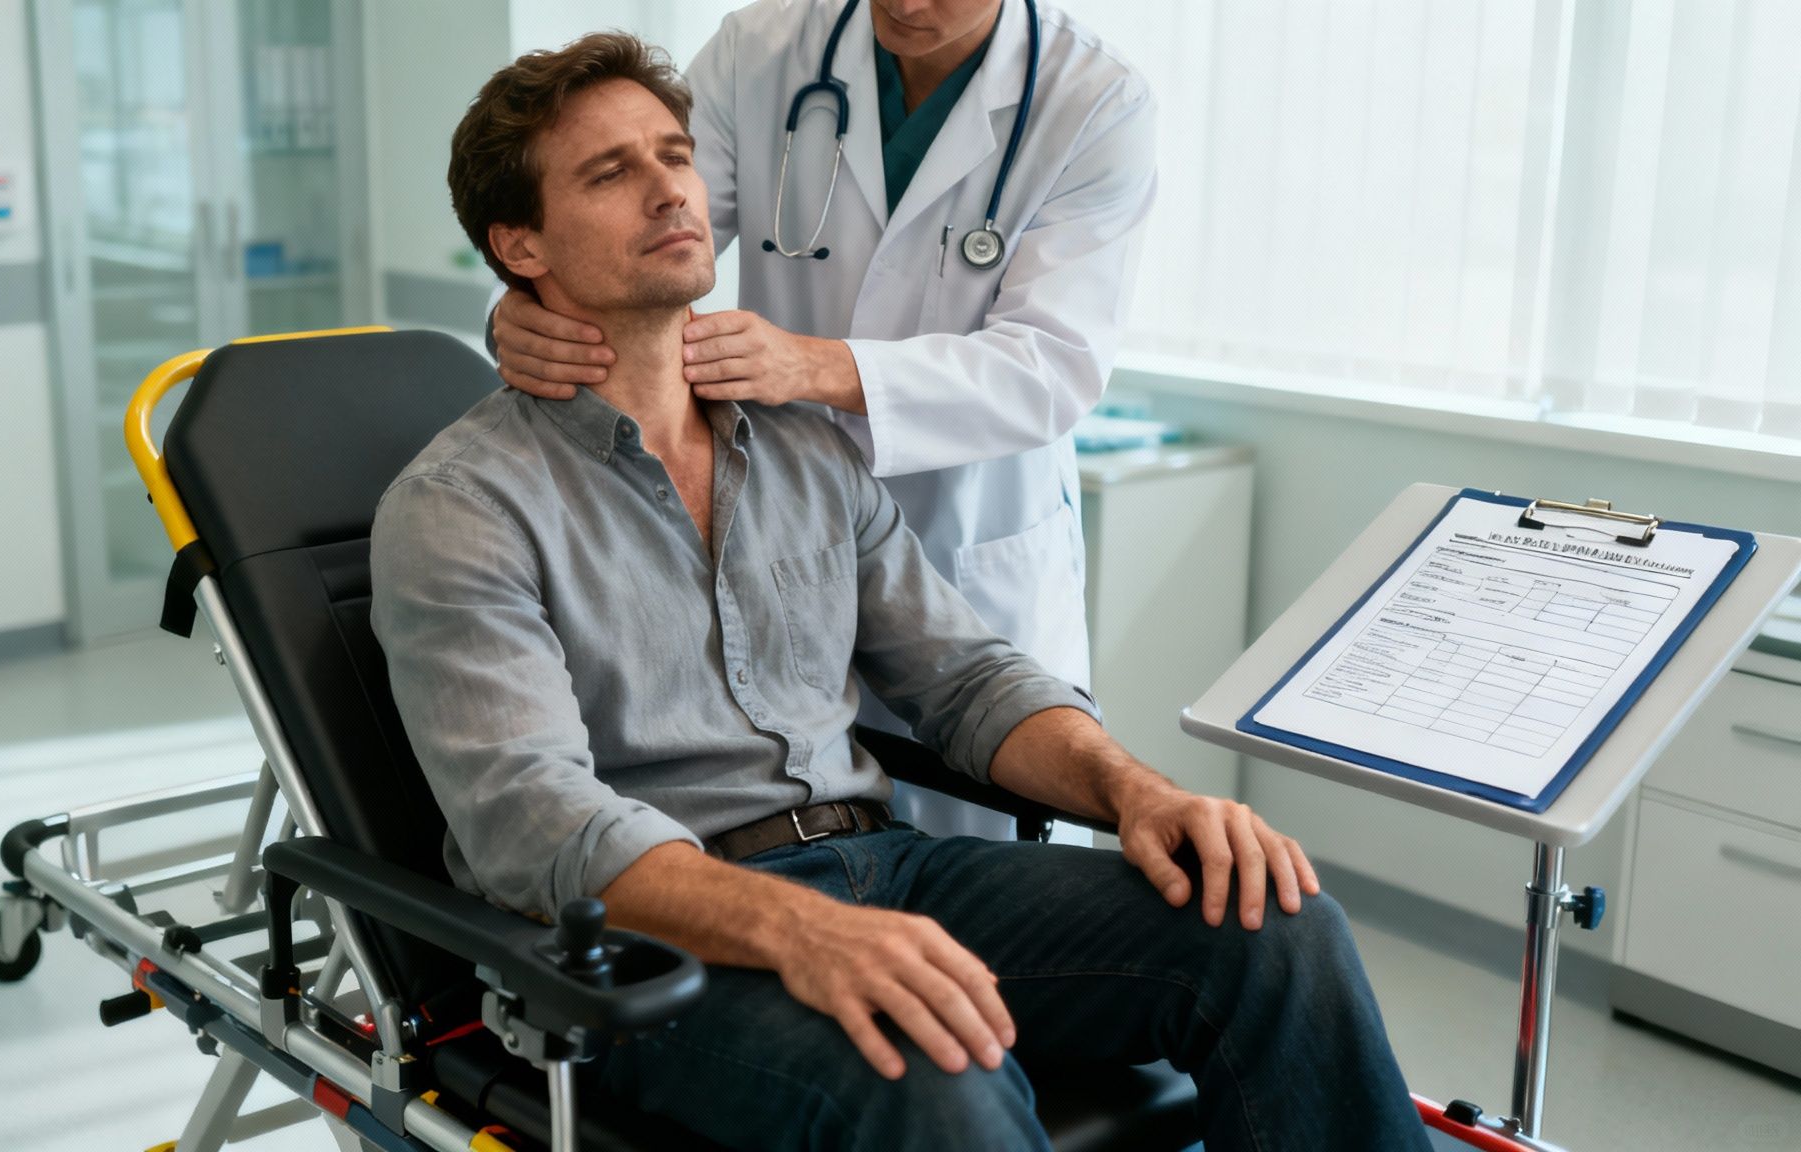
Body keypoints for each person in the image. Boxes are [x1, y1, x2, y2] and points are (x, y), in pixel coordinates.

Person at [375, 32, 1432, 1152]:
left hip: (887, 864)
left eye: (675, 155)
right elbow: (533, 823)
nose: (672, 189)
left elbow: (966, 678)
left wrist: (1141, 798)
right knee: (933, 1067)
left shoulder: (802, 447)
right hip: (649, 951)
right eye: (609, 172)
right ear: (517, 241)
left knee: (1271, 925)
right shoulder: (463, 504)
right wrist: (795, 928)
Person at [488, 0, 1157, 839]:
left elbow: (1053, 366)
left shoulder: (1094, 100)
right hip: (776, 529)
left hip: (963, 545)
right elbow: (627, 228)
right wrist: (521, 309)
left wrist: (819, 366)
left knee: (982, 857)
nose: (906, 6)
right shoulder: (761, 50)